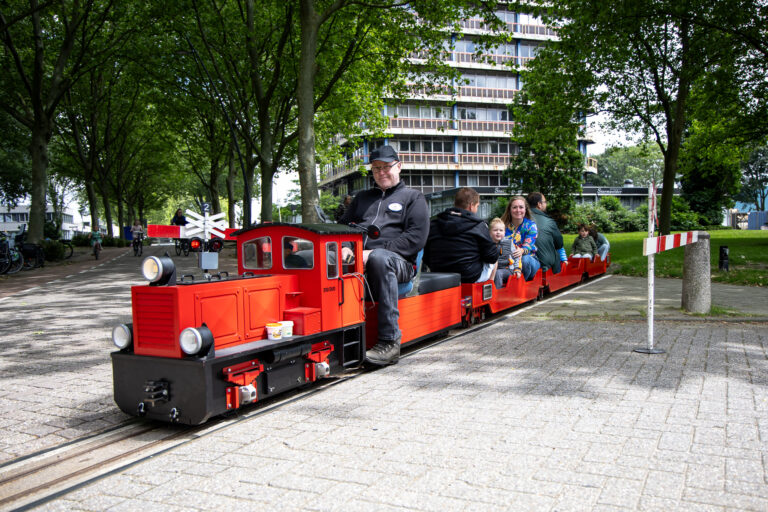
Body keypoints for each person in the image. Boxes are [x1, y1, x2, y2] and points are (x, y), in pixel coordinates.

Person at [339, 145, 429, 366]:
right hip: (357, 261)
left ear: (399, 166)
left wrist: (371, 253)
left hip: (399, 264)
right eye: (376, 168)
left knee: (380, 258)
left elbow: (415, 239)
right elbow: (341, 230)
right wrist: (346, 247)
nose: (381, 172)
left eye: (386, 167)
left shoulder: (413, 198)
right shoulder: (362, 198)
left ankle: (389, 342)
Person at [424, 187, 498, 283]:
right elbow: (491, 257)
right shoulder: (479, 225)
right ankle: (490, 289)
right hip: (470, 276)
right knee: (495, 256)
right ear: (471, 206)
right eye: (477, 206)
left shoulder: (434, 223)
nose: (476, 209)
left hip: (438, 273)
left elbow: (426, 255)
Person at [500, 196, 540, 281]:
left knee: (524, 260)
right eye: (514, 207)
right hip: (509, 260)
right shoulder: (503, 226)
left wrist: (521, 250)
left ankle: (519, 284)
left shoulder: (531, 225)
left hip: (529, 259)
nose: (518, 210)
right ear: (510, 210)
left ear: (525, 210)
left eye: (521, 207)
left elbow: (527, 246)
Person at [527, 192, 567, 274]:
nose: (546, 204)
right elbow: (559, 244)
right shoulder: (549, 222)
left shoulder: (520, 219)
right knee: (556, 253)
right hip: (545, 264)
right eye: (545, 202)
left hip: (524, 261)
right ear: (539, 204)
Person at [489, 217, 520, 288]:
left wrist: (517, 269)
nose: (498, 232)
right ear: (490, 232)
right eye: (495, 230)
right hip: (491, 269)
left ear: (504, 232)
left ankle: (497, 293)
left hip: (507, 269)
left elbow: (517, 257)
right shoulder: (487, 244)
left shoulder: (509, 243)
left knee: (498, 273)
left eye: (501, 230)